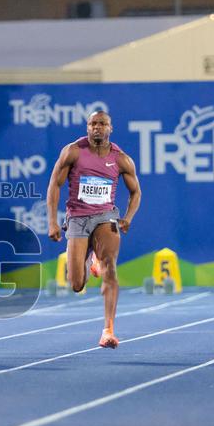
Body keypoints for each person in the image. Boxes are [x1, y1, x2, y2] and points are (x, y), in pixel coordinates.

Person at [46, 110, 141, 349]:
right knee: (77, 284)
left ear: (111, 128)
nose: (97, 128)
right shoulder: (73, 151)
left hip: (106, 216)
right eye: (92, 124)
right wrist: (52, 221)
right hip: (77, 217)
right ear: (87, 127)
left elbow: (136, 192)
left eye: (102, 124)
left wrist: (128, 217)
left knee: (110, 268)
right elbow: (54, 186)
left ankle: (108, 330)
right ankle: (90, 261)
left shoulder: (121, 159)